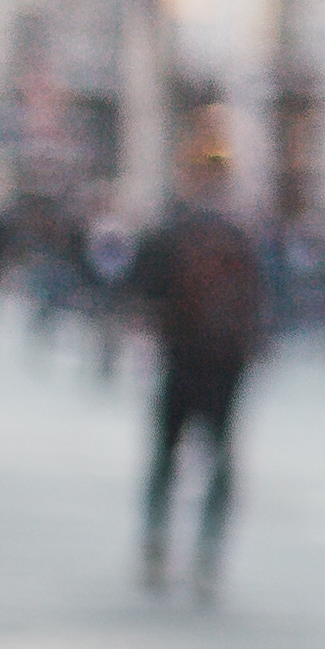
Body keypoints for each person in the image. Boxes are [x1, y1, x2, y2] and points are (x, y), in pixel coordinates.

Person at [131, 131, 267, 597]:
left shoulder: (174, 230)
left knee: (166, 457)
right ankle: (207, 554)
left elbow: (142, 291)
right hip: (226, 365)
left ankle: (156, 544)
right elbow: (264, 302)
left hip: (182, 359)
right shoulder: (240, 236)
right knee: (220, 460)